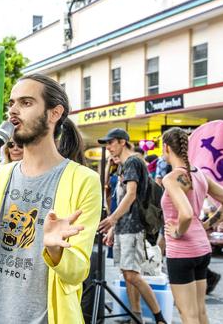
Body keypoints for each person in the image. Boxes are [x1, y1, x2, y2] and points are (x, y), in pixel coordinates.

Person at [0, 74, 101, 323]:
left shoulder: (84, 180)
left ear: (54, 113)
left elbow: (78, 272)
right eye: (12, 103)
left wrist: (56, 250)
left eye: (25, 103)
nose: (13, 111)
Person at [160, 127, 223, 323]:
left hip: (181, 252)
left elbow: (185, 214)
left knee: (188, 315)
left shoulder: (171, 178)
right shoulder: (200, 174)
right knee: (200, 311)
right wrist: (205, 225)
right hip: (201, 249)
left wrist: (178, 232)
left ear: (166, 148)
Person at [97, 128, 167, 324]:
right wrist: (114, 227)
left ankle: (159, 318)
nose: (108, 148)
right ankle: (136, 317)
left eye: (110, 143)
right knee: (127, 274)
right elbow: (121, 198)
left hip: (133, 227)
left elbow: (131, 195)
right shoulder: (124, 165)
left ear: (121, 142)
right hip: (124, 227)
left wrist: (112, 220)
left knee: (132, 275)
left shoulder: (133, 162)